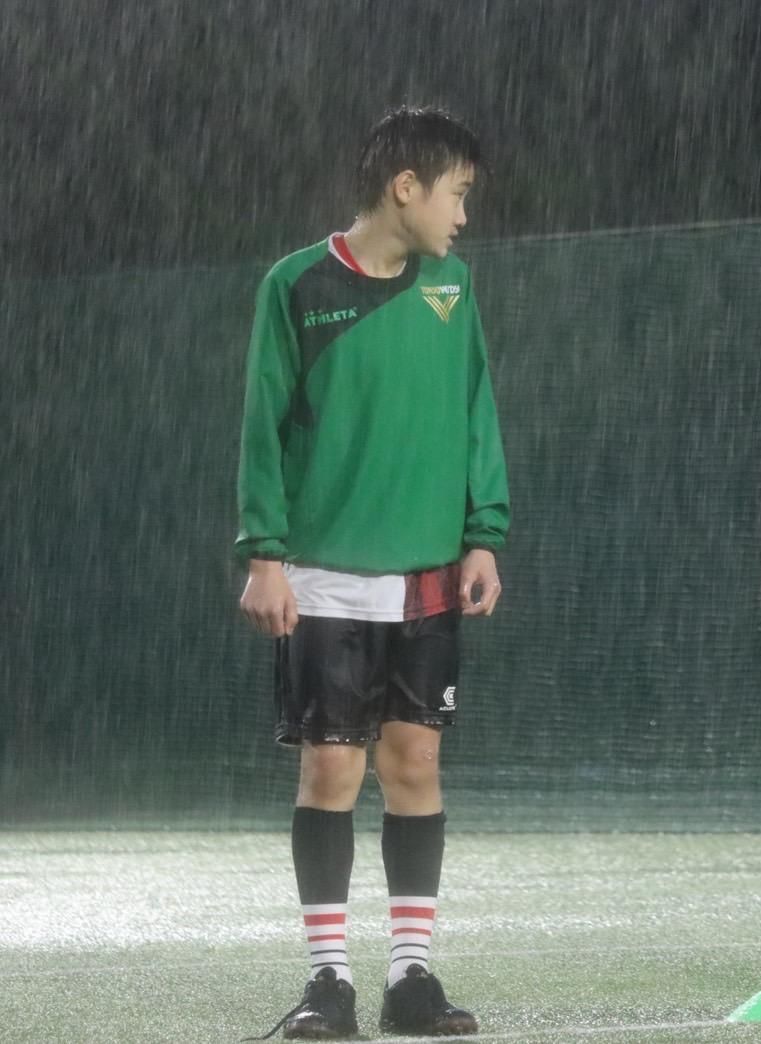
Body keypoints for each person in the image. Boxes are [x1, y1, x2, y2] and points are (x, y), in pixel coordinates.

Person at [235, 106, 508, 1039]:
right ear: (407, 188)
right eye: (458, 194)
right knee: (329, 771)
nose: (464, 215)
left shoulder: (453, 288)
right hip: (321, 578)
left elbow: (478, 414)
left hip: (428, 578)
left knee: (417, 764)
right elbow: (262, 427)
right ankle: (327, 984)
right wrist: (264, 554)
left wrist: (484, 532)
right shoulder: (296, 285)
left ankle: (411, 980)